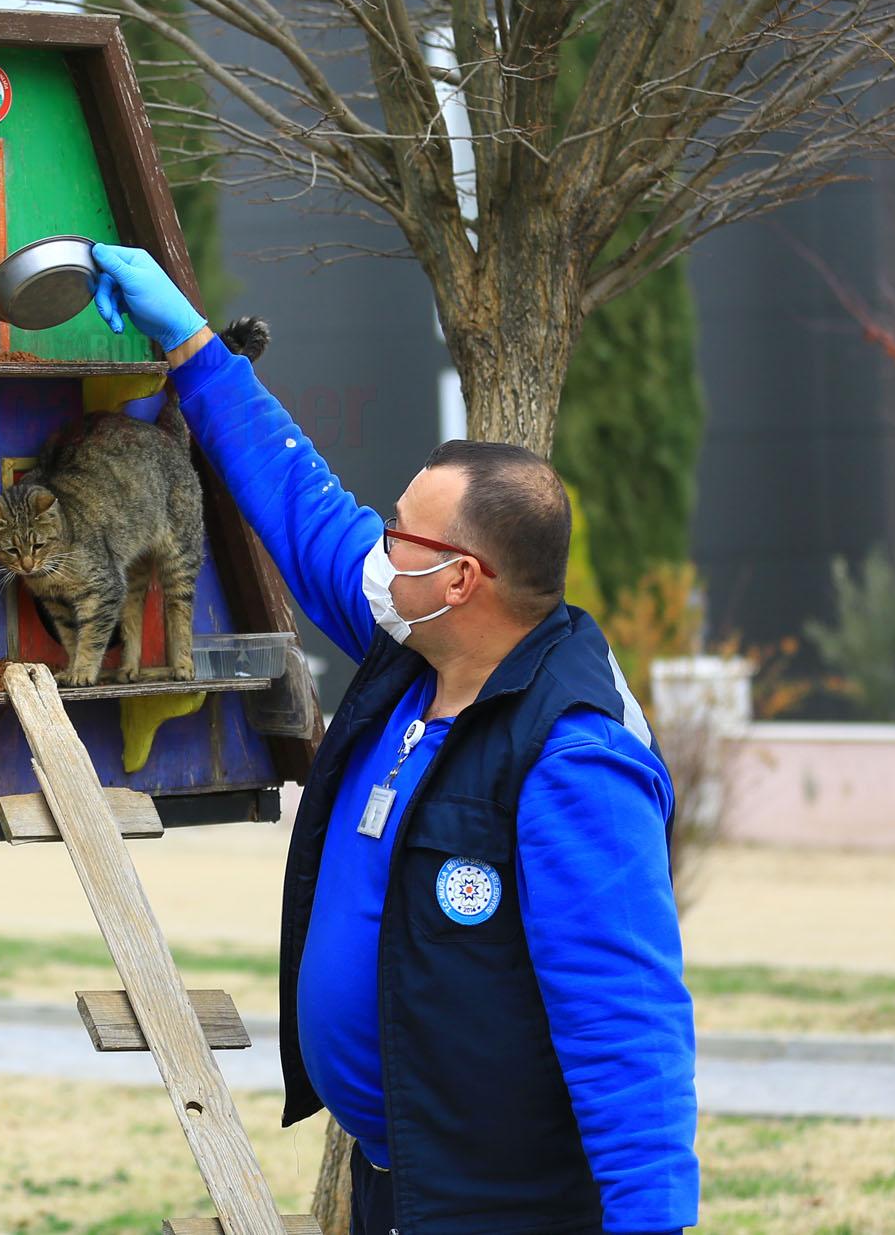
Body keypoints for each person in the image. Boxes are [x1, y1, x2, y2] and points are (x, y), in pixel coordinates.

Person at [91, 244, 700, 1235]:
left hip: (502, 1206)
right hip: (399, 1184)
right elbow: (305, 508)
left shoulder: (571, 756)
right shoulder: (410, 648)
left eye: (402, 535)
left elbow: (626, 1026)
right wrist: (193, 347)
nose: (376, 547)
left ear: (461, 578)